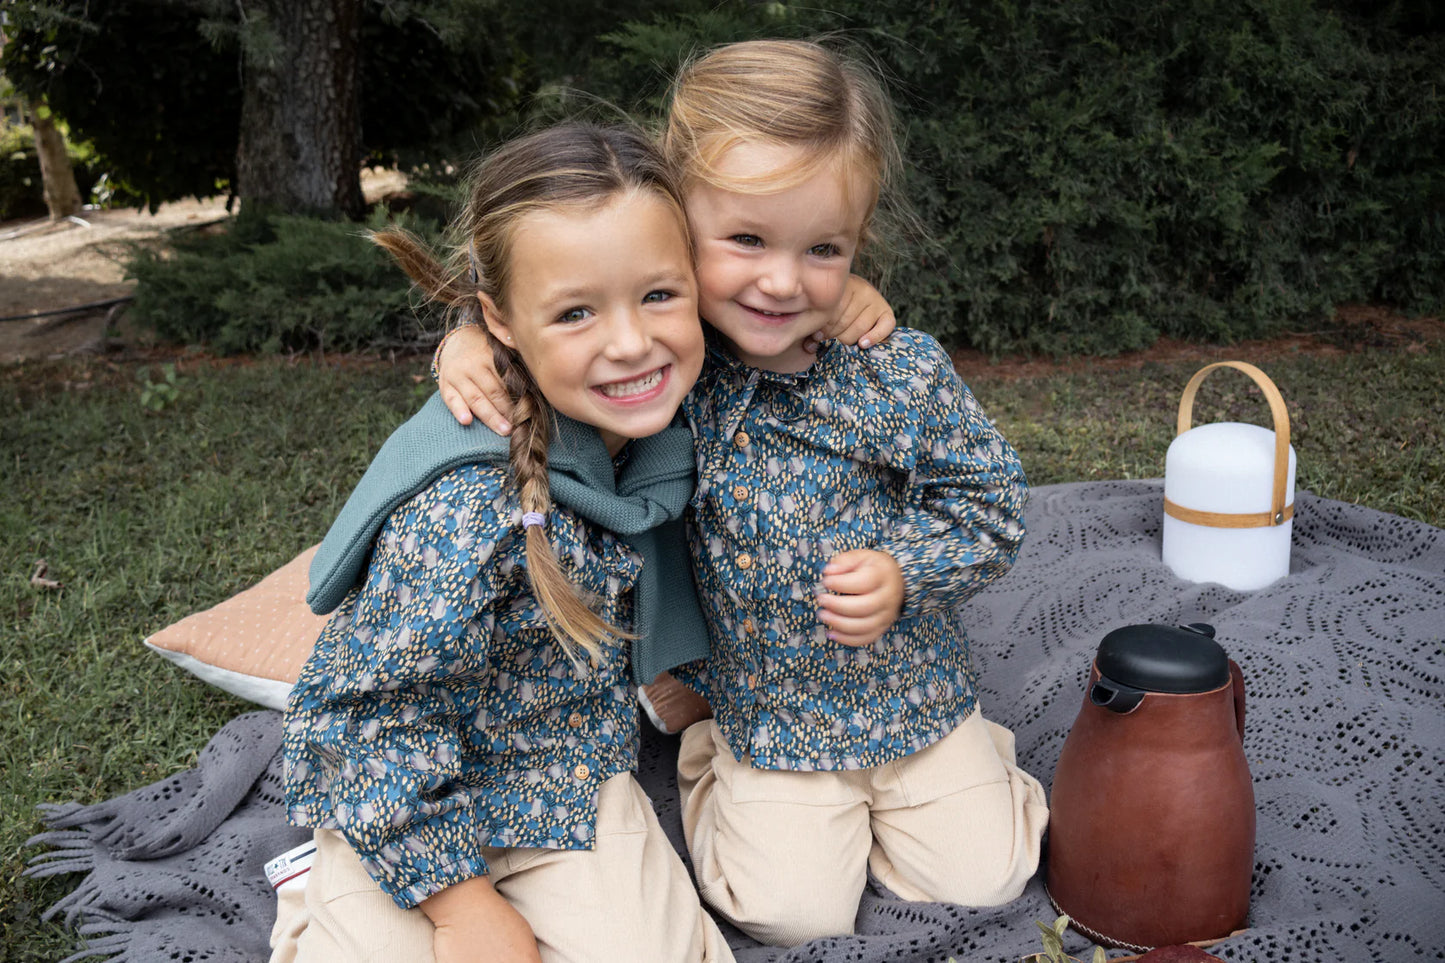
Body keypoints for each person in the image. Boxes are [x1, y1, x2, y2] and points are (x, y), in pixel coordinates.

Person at [436, 38, 1049, 948]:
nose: (779, 280)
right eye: (747, 240)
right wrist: (470, 341)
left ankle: (975, 768)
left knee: (989, 879)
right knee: (784, 910)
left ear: (857, 241)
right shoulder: (666, 368)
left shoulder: (894, 371)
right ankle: (699, 744)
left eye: (823, 248)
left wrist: (906, 568)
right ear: (677, 229)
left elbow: (992, 499)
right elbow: (557, 300)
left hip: (912, 693)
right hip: (765, 712)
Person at [275, 123, 734, 963]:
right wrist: (459, 908)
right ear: (501, 322)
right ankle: (321, 878)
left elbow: (785, 272)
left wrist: (850, 293)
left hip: (563, 773)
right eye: (575, 312)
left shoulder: (689, 404)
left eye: (660, 295)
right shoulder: (467, 513)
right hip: (411, 778)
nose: (630, 342)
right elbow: (367, 719)